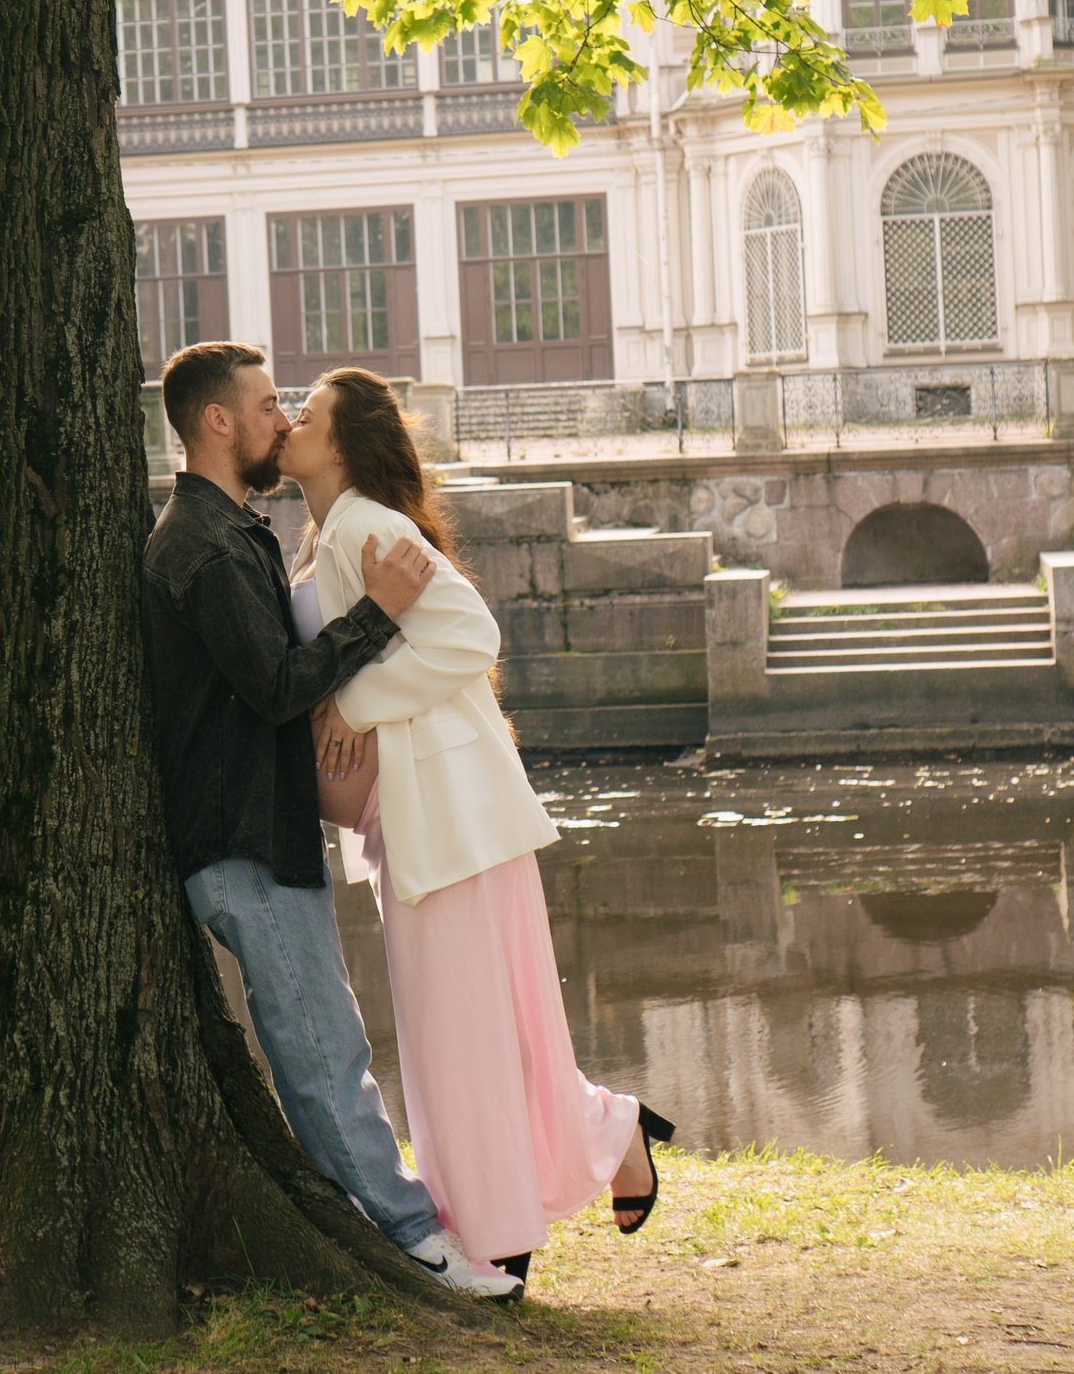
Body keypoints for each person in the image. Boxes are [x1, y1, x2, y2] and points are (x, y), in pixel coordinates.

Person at [280, 368, 675, 1295]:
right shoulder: (331, 535)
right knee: (481, 1028)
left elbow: (470, 633)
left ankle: (496, 1229)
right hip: (418, 813)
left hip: (445, 810)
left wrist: (354, 706)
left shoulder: (369, 524)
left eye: (308, 413)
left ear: (343, 444)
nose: (292, 421)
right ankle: (601, 1140)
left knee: (457, 1037)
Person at [141, 342, 520, 1302]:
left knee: (323, 1039)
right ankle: (415, 1240)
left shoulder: (234, 533)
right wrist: (378, 614)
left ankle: (381, 1223)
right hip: (241, 841)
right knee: (323, 1049)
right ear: (218, 421)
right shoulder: (205, 544)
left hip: (262, 834)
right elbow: (275, 685)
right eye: (268, 404)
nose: (282, 420)